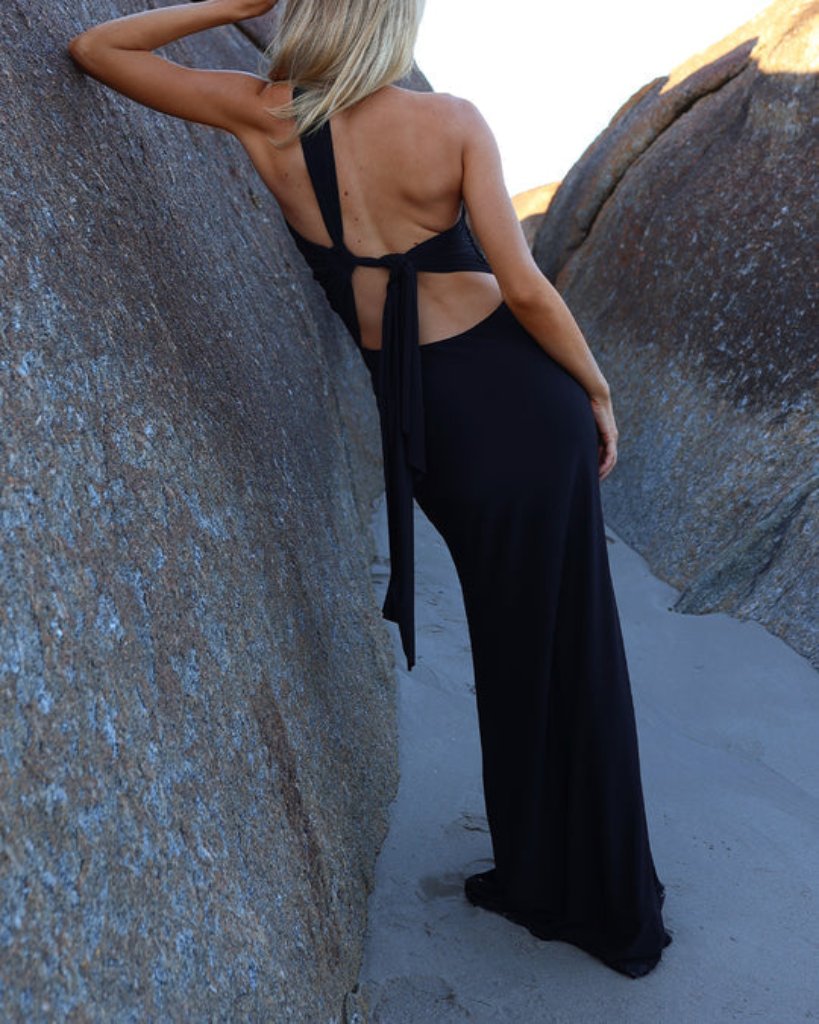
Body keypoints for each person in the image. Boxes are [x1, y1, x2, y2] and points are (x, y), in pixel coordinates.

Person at [68, 0, 673, 979]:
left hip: (436, 429)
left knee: (512, 644)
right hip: (525, 403)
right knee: (570, 641)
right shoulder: (450, 122)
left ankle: (543, 875)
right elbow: (524, 288)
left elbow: (98, 48)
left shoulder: (263, 113)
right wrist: (596, 391)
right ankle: (593, 890)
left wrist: (236, 5)